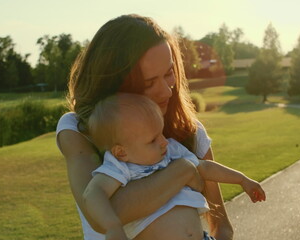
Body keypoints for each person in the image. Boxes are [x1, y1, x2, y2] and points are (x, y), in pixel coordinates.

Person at [56, 14, 234, 240]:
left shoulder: (191, 132)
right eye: (148, 83)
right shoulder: (79, 130)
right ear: (118, 84)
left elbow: (222, 227)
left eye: (169, 73)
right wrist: (183, 170)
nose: (167, 91)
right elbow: (101, 214)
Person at [83, 93, 266, 240]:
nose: (164, 142)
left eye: (161, 133)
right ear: (121, 151)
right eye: (152, 140)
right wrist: (112, 226)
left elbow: (206, 168)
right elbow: (93, 192)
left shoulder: (170, 150)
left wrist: (242, 179)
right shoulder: (120, 166)